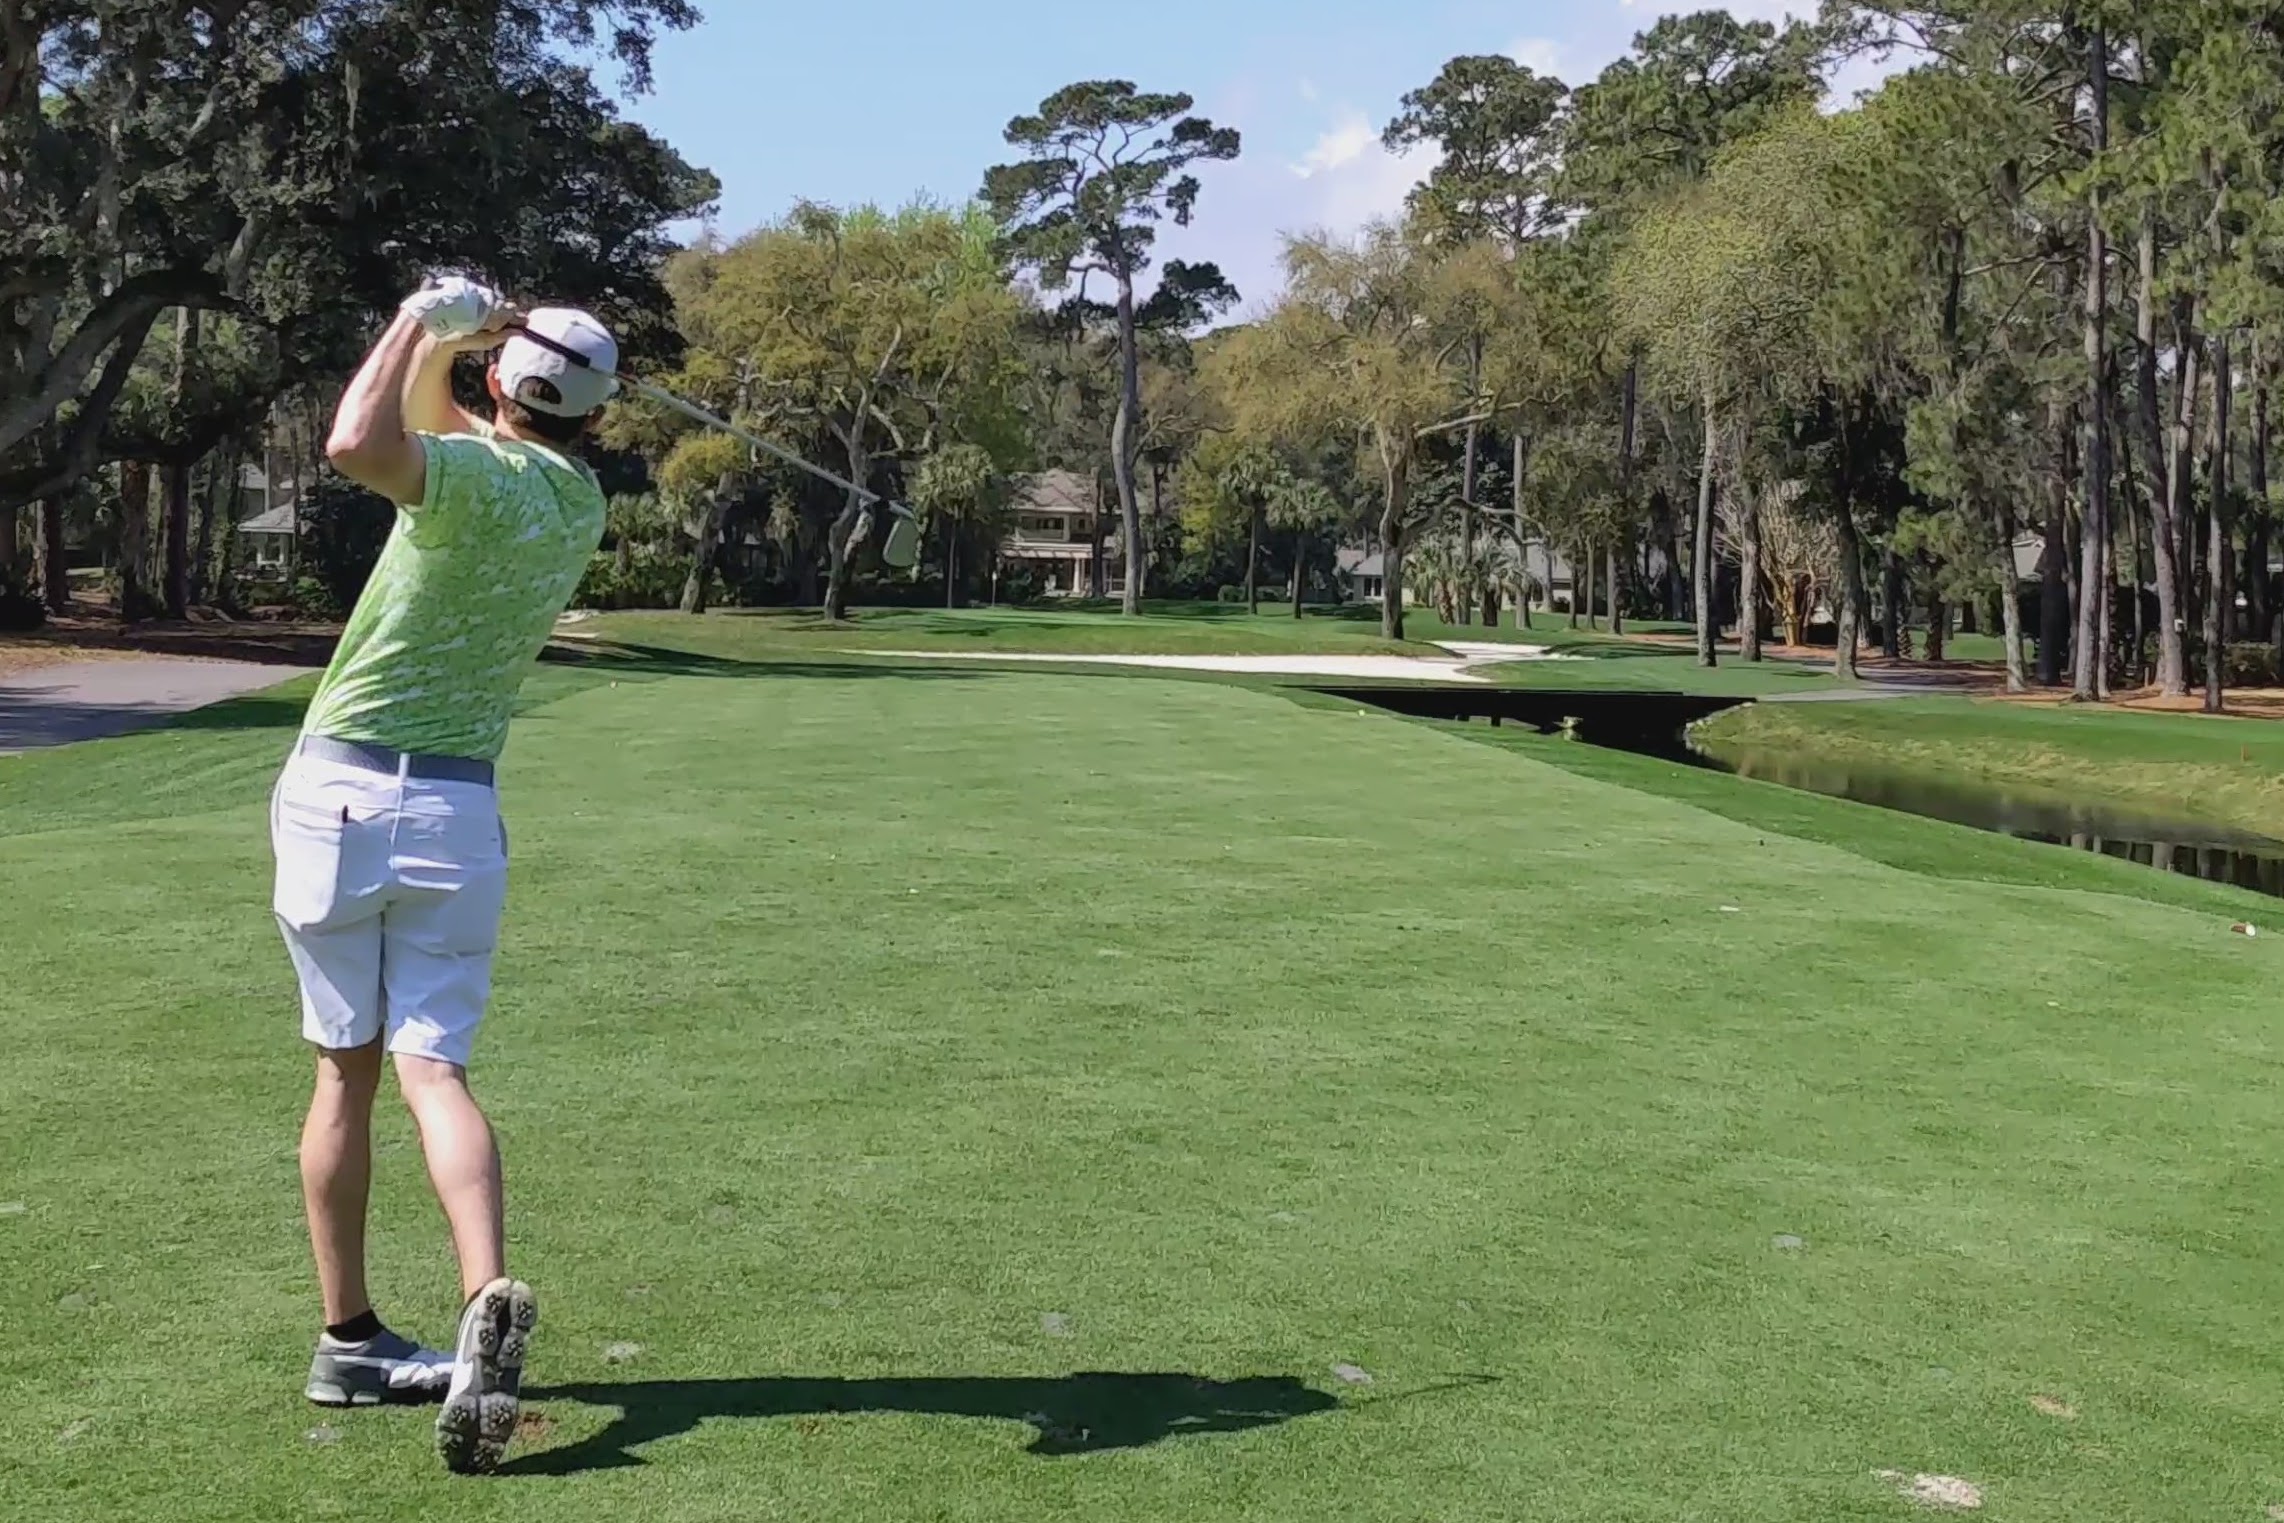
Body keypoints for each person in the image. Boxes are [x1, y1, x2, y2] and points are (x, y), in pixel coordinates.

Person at [275, 275, 616, 1474]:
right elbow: (430, 428)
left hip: (339, 789)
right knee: (435, 1066)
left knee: (342, 1074)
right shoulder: (574, 500)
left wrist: (427, 314)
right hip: (457, 805)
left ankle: (350, 1336)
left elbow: (357, 438)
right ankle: (481, 1307)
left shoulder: (465, 475)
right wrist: (466, 343)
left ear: (502, 385)